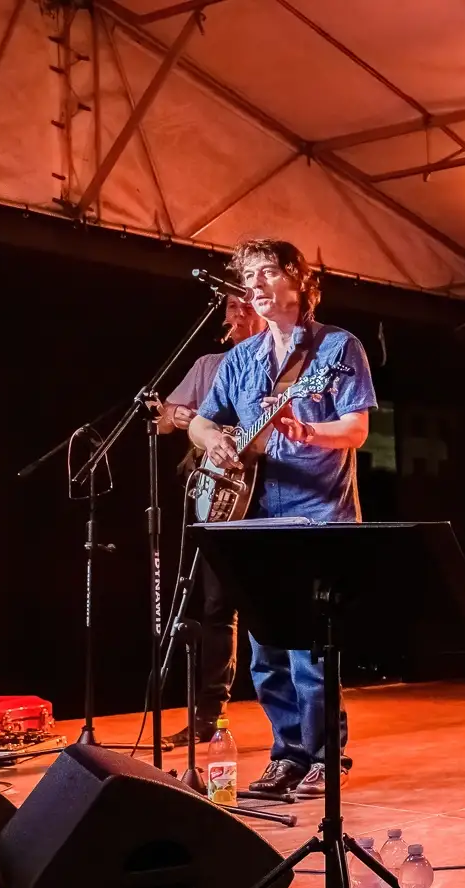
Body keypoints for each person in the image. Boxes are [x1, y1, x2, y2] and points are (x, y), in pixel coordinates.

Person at [187, 239, 377, 797]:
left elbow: (356, 430)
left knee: (310, 649)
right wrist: (214, 440)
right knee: (265, 649)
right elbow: (199, 421)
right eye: (249, 276)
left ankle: (325, 758)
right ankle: (287, 754)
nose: (256, 285)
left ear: (299, 279)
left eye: (267, 272)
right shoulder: (241, 358)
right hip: (254, 515)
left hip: (317, 515)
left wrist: (307, 430)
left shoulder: (338, 347)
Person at [157, 295, 266, 748]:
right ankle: (210, 717)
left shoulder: (278, 366)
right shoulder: (208, 365)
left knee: (268, 607)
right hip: (217, 499)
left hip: (264, 494)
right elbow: (163, 420)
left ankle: (296, 729)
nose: (236, 316)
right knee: (217, 607)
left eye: (246, 308)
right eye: (231, 309)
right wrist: (177, 415)